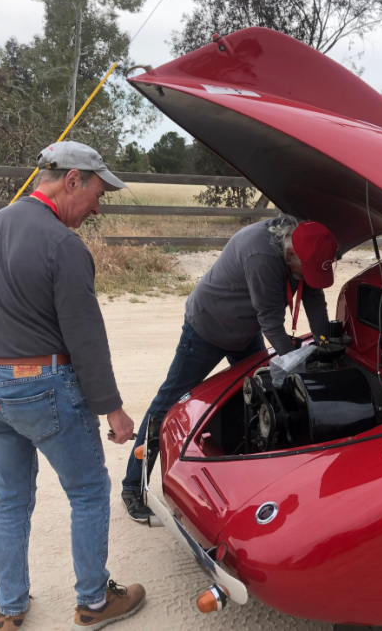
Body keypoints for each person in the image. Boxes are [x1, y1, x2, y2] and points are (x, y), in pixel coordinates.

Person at [0, 142, 146, 630]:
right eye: (98, 192)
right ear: (72, 181)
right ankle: (93, 601)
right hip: (39, 386)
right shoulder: (63, 245)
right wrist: (113, 409)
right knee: (88, 490)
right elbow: (86, 338)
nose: (97, 206)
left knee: (11, 497)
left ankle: (10, 607)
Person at [121, 216, 338, 522]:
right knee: (167, 403)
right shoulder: (261, 256)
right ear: (291, 256)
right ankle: (132, 486)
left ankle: (251, 481)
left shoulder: (304, 244)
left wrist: (325, 344)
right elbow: (272, 325)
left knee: (264, 398)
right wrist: (296, 370)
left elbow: (314, 298)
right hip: (208, 327)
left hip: (245, 330)